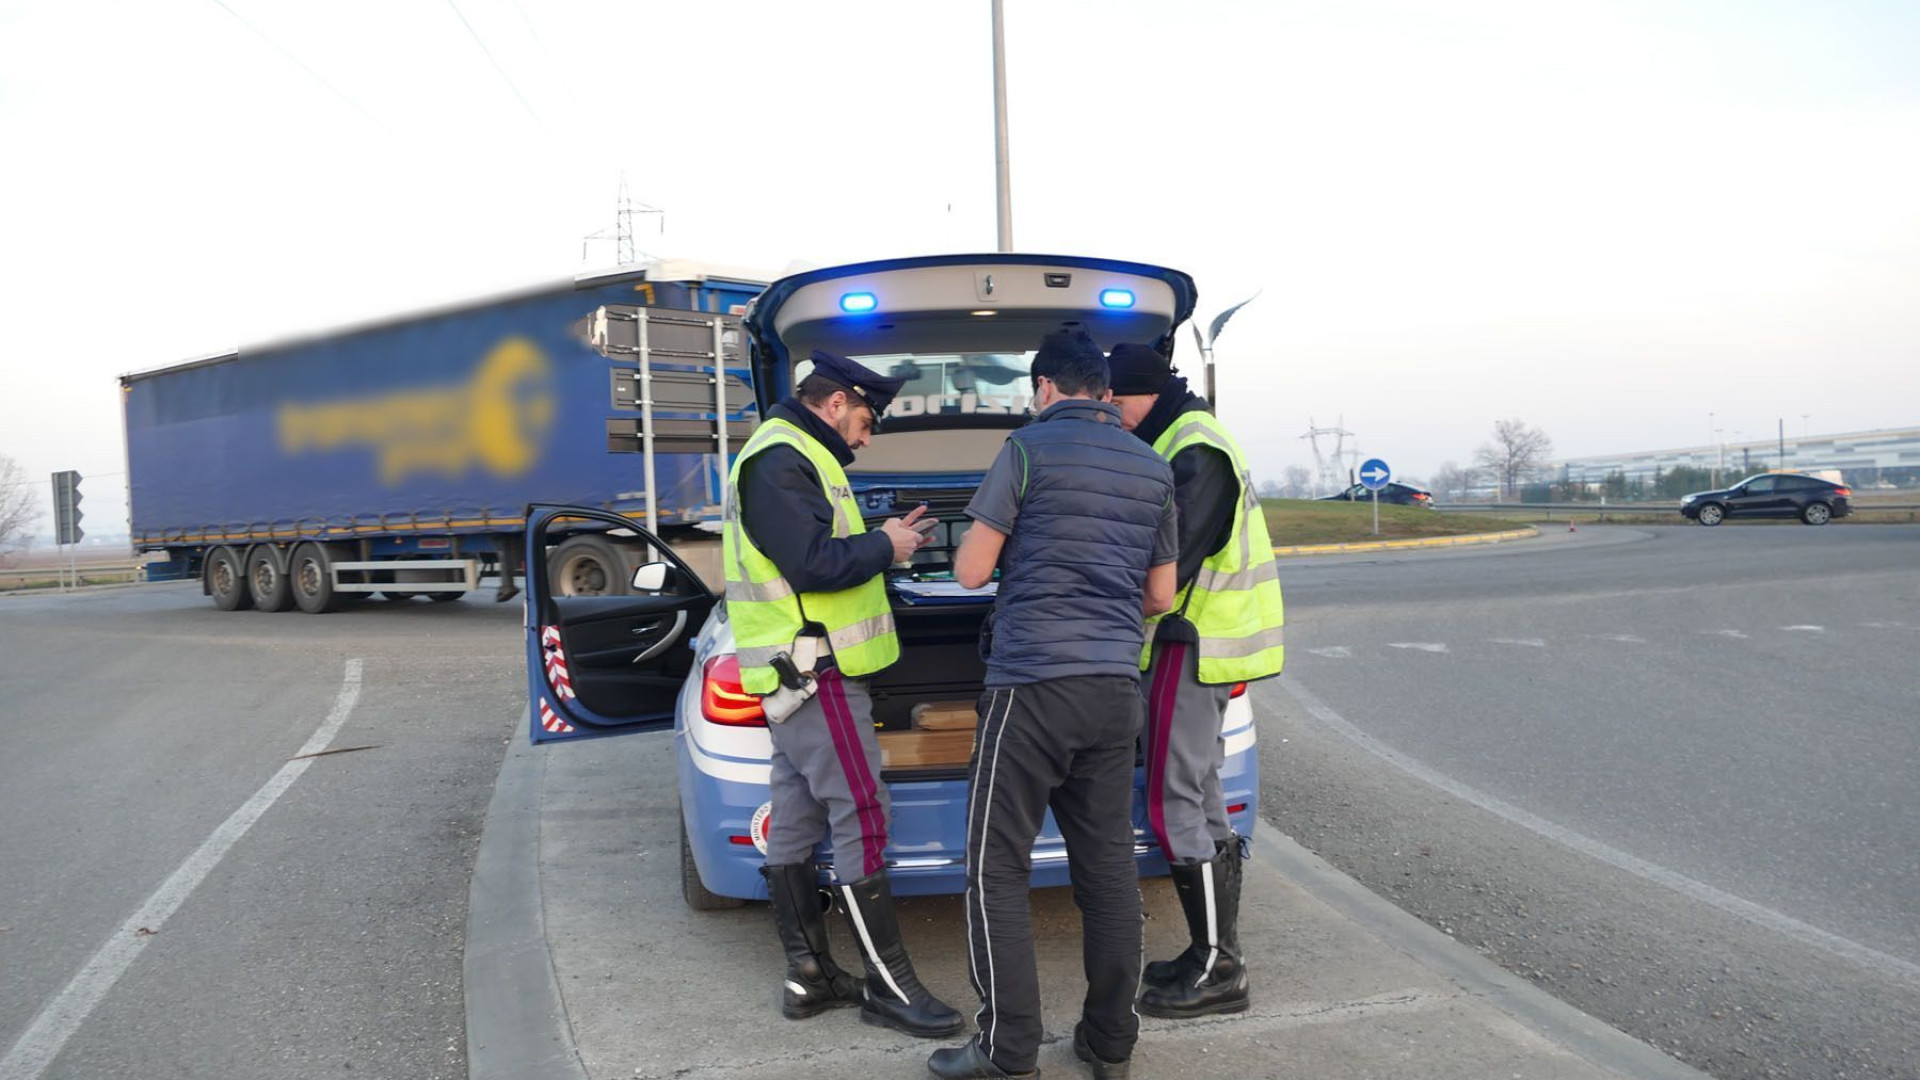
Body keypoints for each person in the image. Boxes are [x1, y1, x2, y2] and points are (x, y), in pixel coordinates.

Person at [927, 328, 1177, 1080]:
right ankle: (1109, 1045)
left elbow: (972, 570)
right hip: (1112, 690)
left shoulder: (1027, 449)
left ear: (1043, 387)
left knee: (994, 868)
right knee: (1106, 871)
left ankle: (1007, 1053)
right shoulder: (1153, 463)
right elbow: (1160, 594)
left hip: (1033, 685)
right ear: (1103, 389)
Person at [725, 350, 963, 1038]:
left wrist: (887, 541)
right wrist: (884, 547)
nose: (866, 436)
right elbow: (812, 564)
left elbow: (816, 553)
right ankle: (889, 987)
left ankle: (811, 976)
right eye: (865, 419)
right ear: (835, 404)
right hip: (813, 670)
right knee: (861, 811)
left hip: (797, 674)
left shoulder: (796, 455)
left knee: (797, 820)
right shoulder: (781, 458)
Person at [1105, 342, 1286, 1019]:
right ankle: (1214, 953)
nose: (1113, 415)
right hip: (1195, 642)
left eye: (1116, 402)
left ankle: (1219, 968)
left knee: (1172, 797)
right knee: (1201, 792)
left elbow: (1170, 569)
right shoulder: (1181, 438)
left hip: (1192, 639)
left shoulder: (1195, 448)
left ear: (1142, 393)